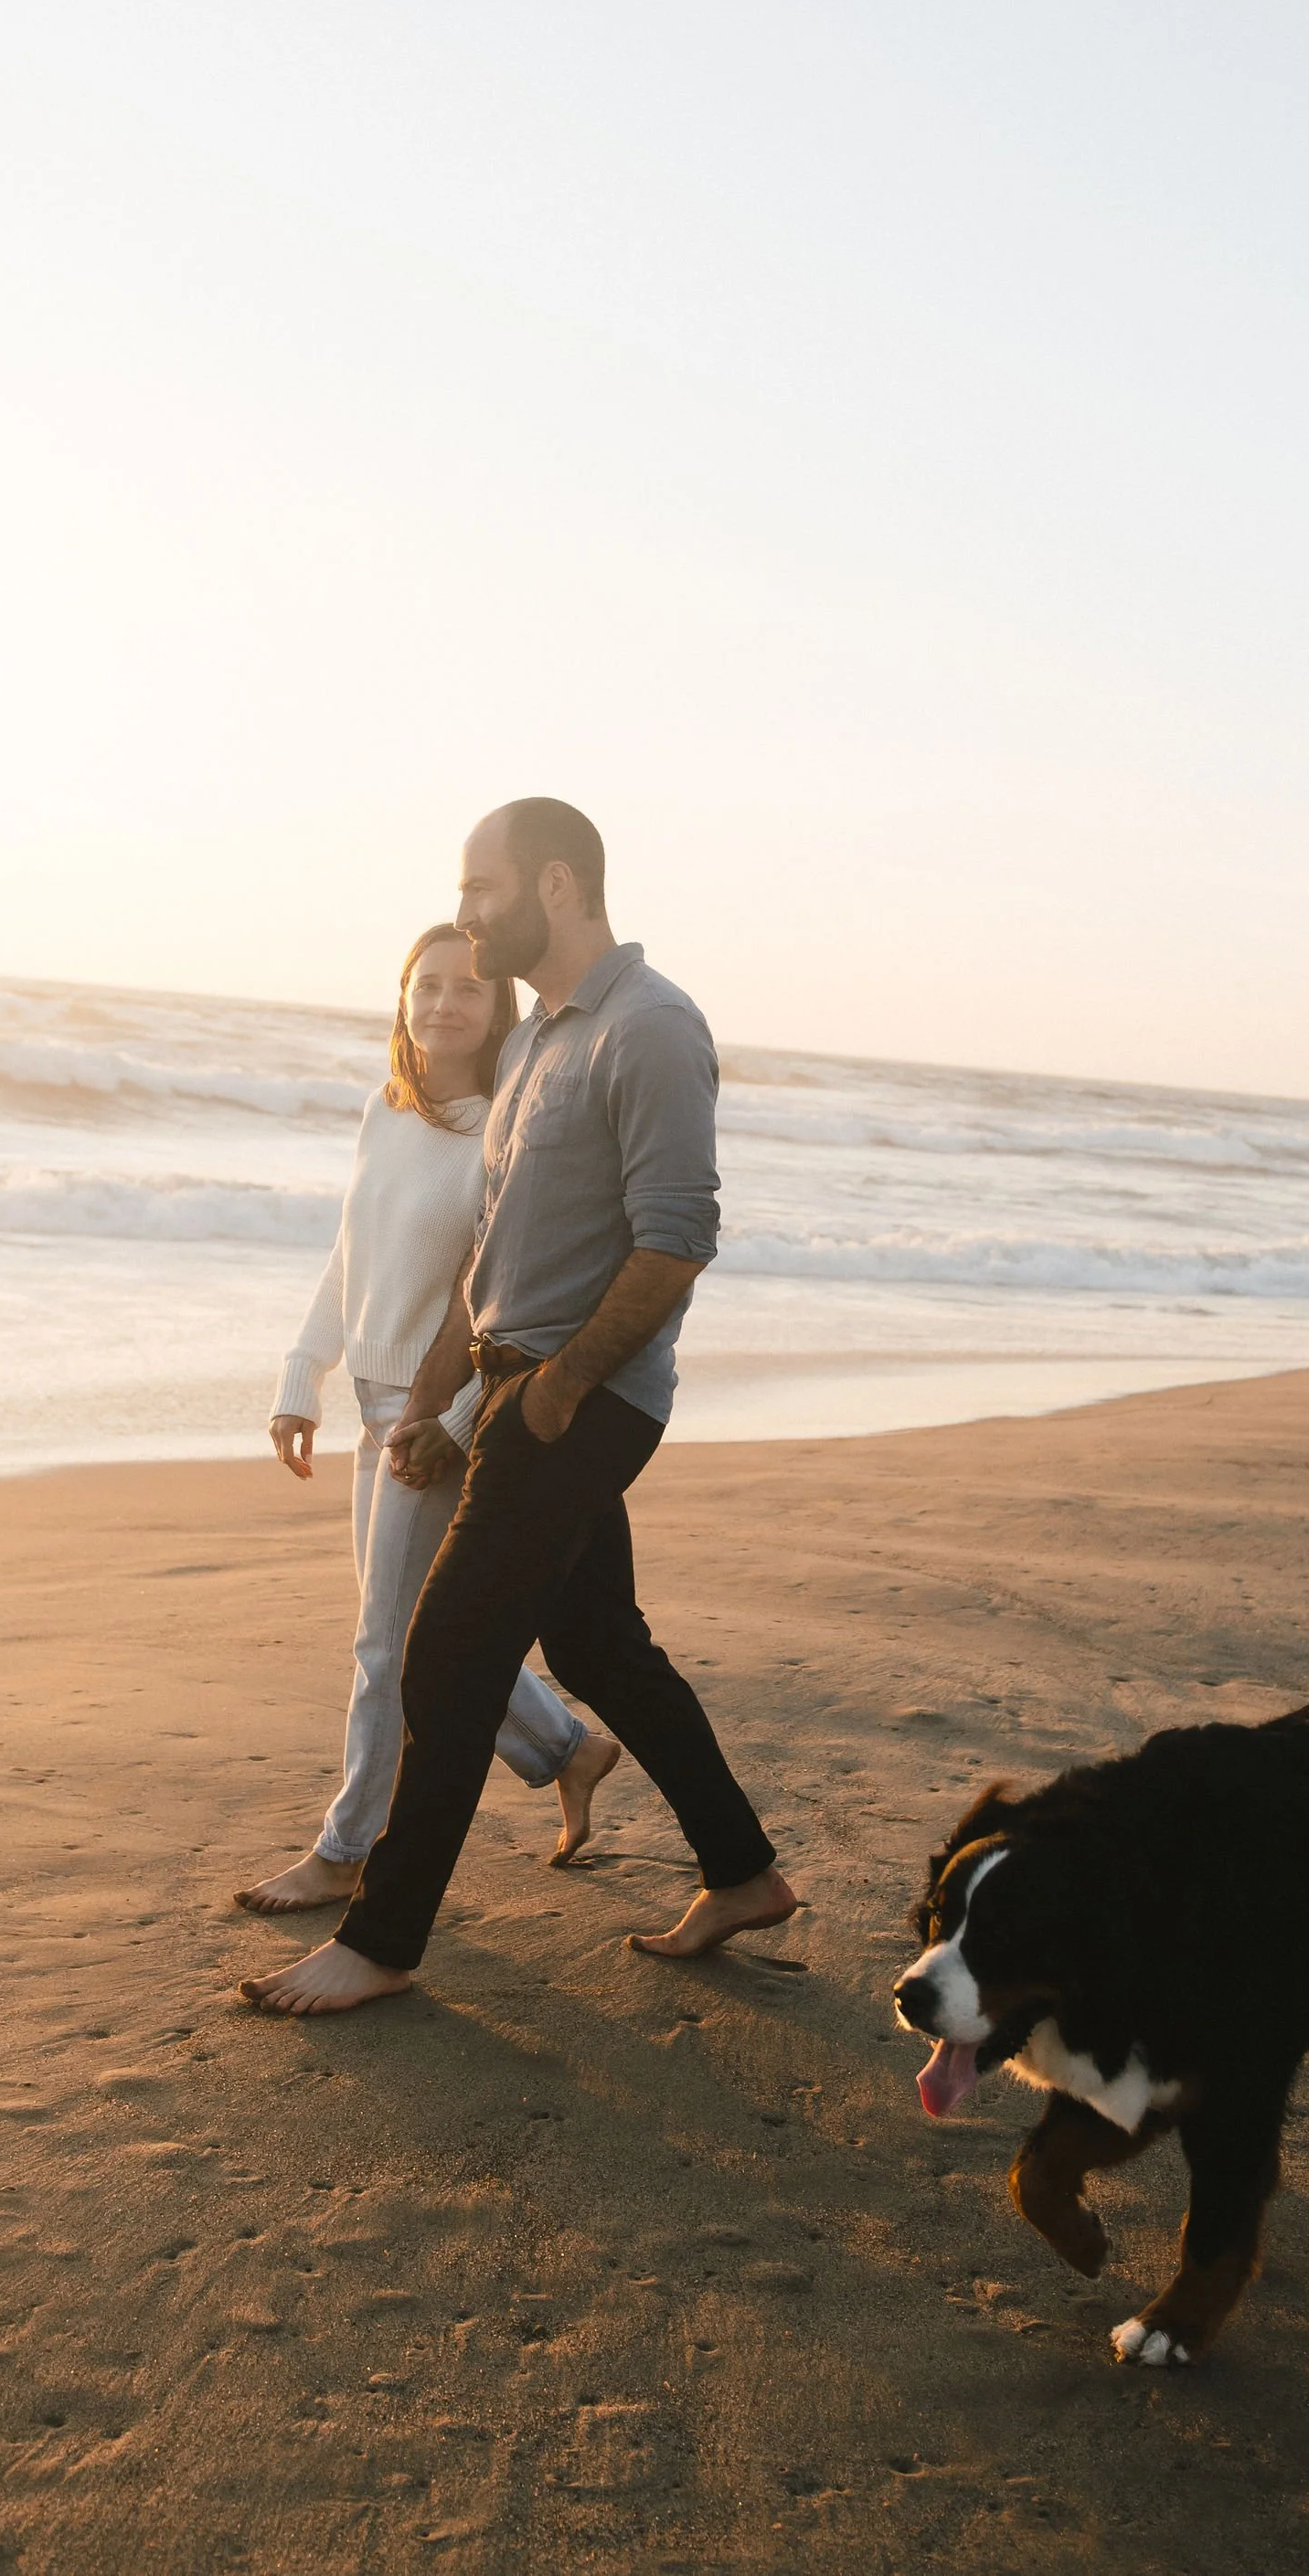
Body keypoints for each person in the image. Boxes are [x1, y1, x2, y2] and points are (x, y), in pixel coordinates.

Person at [241, 798, 794, 2014]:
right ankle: (744, 1869)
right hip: (510, 1387)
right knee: (597, 1643)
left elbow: (678, 1241)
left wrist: (560, 1389)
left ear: (553, 884)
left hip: (581, 1399)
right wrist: (441, 1391)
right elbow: (491, 1253)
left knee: (447, 1649)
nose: (467, 909)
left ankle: (383, 1938)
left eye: (479, 888)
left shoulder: (648, 1029)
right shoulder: (540, 1041)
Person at [233, 921, 620, 1915]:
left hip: (439, 1415)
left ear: (499, 1009)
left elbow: (499, 1293)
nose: (446, 1003)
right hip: (371, 1403)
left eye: (468, 989)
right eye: (428, 984)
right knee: (412, 1631)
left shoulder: (507, 1126)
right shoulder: (385, 1111)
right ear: (402, 998)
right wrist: (299, 1372)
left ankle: (347, 1846)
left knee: (384, 1643)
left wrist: (445, 1414)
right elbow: (346, 1256)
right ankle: (567, 1748)